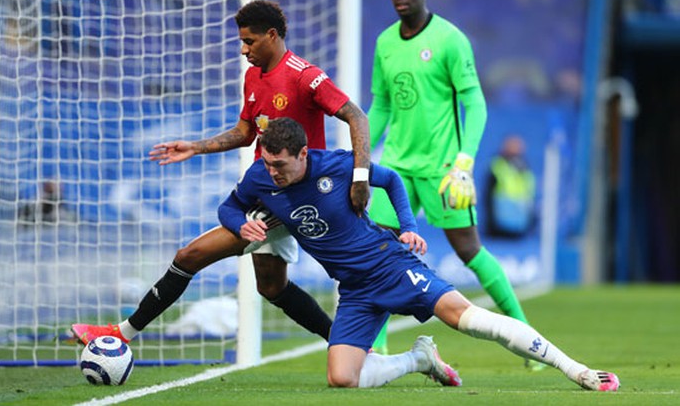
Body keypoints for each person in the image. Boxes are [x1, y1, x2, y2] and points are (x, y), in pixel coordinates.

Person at [218, 117, 620, 390]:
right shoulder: (259, 176)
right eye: (268, 164)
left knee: (469, 320)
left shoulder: (339, 166)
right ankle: (419, 360)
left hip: (389, 264)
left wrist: (409, 228)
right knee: (341, 378)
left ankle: (578, 371)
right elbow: (229, 207)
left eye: (280, 165)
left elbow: (390, 179)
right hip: (354, 289)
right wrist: (240, 225)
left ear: (303, 154)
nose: (273, 173)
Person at [71, 0, 371, 345]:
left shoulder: (305, 76)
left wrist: (360, 178)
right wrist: (197, 146)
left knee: (189, 256)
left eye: (250, 41)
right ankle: (348, 344)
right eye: (241, 42)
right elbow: (245, 133)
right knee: (271, 285)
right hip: (267, 188)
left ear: (271, 35)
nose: (244, 50)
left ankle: (121, 333)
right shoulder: (253, 77)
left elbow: (356, 116)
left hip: (293, 194)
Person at [366, 0, 531, 359]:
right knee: (384, 252)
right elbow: (382, 106)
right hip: (397, 170)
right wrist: (356, 154)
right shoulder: (385, 42)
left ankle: (525, 337)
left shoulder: (450, 40)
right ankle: (376, 349)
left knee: (469, 251)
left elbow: (475, 103)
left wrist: (463, 164)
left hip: (443, 172)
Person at [485, 134, 537, 238]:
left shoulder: (525, 167)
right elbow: (488, 196)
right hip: (499, 227)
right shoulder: (498, 165)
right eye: (513, 145)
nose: (517, 149)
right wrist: (491, 223)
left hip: (521, 226)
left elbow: (529, 196)